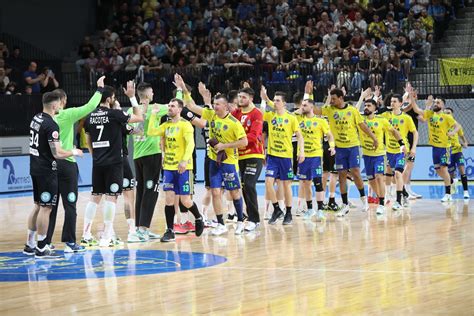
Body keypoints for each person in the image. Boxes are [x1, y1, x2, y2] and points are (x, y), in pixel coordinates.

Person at [44, 76, 105, 253]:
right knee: (70, 204)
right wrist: (99, 89)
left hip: (50, 165)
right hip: (67, 164)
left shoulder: (45, 119)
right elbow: (90, 106)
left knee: (50, 206)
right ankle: (70, 243)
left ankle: (45, 242)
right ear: (62, 101)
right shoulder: (67, 114)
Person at [182, 78, 248, 236]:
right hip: (214, 161)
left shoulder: (234, 123)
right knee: (215, 192)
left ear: (225, 106)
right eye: (214, 103)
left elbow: (244, 142)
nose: (214, 106)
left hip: (229, 162)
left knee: (234, 192)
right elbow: (191, 106)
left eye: (217, 104)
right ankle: (221, 223)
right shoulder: (211, 115)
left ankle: (240, 220)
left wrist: (224, 146)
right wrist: (184, 88)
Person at [81, 82, 143, 247]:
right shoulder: (114, 114)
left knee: (95, 197)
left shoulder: (89, 117)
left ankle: (86, 234)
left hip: (98, 162)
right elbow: (139, 118)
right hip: (114, 163)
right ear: (108, 99)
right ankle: (107, 237)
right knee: (112, 198)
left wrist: (97, 157)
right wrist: (131, 98)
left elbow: (88, 142)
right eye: (114, 97)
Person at [24, 92, 83, 259]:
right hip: (46, 171)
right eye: (59, 104)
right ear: (54, 105)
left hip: (34, 168)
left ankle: (30, 244)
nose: (60, 107)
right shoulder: (51, 125)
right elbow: (57, 153)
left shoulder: (36, 118)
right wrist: (73, 151)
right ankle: (42, 247)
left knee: (37, 205)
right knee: (46, 207)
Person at [147, 98, 205, 242]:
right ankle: (170, 230)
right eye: (169, 106)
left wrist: (185, 160)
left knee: (185, 200)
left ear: (179, 109)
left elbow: (191, 144)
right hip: (168, 167)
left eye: (172, 106)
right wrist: (154, 114)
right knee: (169, 199)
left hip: (183, 168)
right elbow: (151, 132)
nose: (169, 108)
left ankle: (198, 218)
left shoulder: (186, 125)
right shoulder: (166, 125)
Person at [313, 89, 378, 216]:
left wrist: (374, 138)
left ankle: (364, 200)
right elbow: (316, 110)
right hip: (339, 148)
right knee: (341, 175)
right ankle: (345, 204)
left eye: (334, 99)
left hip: (352, 147)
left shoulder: (352, 111)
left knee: (355, 173)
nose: (331, 101)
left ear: (341, 98)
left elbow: (363, 126)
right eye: (331, 99)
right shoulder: (330, 110)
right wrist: (309, 94)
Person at [127, 82, 171, 241]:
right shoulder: (155, 108)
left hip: (137, 156)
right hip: (152, 155)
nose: (153, 94)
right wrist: (180, 90)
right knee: (151, 193)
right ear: (147, 95)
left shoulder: (130, 110)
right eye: (152, 91)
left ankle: (140, 228)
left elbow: (128, 132)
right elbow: (175, 105)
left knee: (141, 192)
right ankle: (143, 229)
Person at [261, 89, 304, 225]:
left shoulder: (291, 118)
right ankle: (276, 209)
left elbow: (300, 136)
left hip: (285, 156)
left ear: (284, 103)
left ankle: (289, 212)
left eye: (277, 100)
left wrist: (301, 152)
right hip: (272, 156)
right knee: (268, 183)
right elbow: (261, 112)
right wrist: (264, 99)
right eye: (274, 100)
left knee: (286, 186)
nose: (275, 102)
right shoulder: (270, 116)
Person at [411, 96, 461, 202]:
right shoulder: (430, 114)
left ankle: (448, 194)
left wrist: (452, 132)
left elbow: (458, 126)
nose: (435, 104)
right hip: (435, 148)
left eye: (438, 102)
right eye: (435, 102)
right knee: (438, 171)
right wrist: (411, 98)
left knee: (443, 169)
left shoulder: (447, 117)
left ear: (443, 105)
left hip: (444, 147)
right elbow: (416, 110)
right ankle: (452, 181)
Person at [360, 99, 403, 215]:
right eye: (365, 105)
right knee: (371, 180)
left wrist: (402, 143)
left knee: (379, 177)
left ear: (375, 108)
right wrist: (362, 97)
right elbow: (353, 111)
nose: (366, 107)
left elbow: (393, 131)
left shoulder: (381, 120)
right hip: (366, 154)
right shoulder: (360, 120)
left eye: (369, 105)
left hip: (379, 154)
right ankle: (381, 198)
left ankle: (381, 203)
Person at [296, 98, 335, 221]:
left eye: (305, 105)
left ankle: (320, 210)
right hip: (302, 156)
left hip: (316, 156)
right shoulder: (298, 119)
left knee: (318, 181)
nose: (302, 107)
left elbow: (330, 135)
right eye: (302, 105)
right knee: (305, 183)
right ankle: (310, 209)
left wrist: (332, 147)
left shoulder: (320, 121)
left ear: (312, 107)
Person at [232, 87, 264, 232]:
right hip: (240, 155)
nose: (240, 100)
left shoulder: (256, 113)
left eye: (243, 97)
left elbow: (254, 135)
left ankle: (254, 219)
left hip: (254, 154)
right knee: (244, 185)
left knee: (250, 184)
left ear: (251, 98)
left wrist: (235, 142)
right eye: (239, 97)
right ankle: (249, 216)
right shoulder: (236, 113)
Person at [380, 94, 418, 210]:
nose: (392, 103)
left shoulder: (406, 118)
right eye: (391, 101)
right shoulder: (385, 115)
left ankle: (398, 201)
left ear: (401, 103)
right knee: (392, 175)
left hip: (402, 150)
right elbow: (374, 113)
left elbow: (415, 133)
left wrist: (413, 148)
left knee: (397, 173)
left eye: (395, 101)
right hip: (389, 150)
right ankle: (404, 194)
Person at [444, 107, 470, 199]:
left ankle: (466, 192)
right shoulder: (442, 125)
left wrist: (465, 143)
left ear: (452, 114)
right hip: (448, 152)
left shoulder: (457, 125)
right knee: (451, 174)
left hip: (458, 151)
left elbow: (462, 137)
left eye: (449, 113)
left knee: (462, 171)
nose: (447, 114)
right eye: (445, 113)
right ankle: (452, 188)